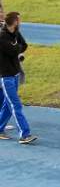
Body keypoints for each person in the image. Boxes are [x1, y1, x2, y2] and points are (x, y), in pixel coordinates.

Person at [0, 12, 35, 144]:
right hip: (6, 76)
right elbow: (14, 51)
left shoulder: (15, 33)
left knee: (8, 105)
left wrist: (16, 48)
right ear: (14, 21)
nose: (20, 22)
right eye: (19, 20)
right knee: (16, 105)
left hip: (15, 74)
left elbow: (24, 45)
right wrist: (16, 48)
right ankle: (25, 135)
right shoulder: (2, 36)